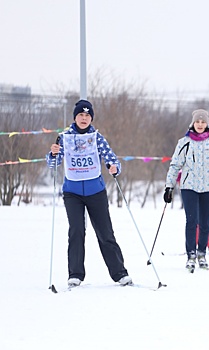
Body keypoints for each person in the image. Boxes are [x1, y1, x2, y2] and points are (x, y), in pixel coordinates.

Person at [46, 99, 132, 288]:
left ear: (91, 118)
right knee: (76, 231)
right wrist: (52, 154)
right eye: (80, 115)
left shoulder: (97, 137)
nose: (84, 119)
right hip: (72, 192)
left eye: (87, 115)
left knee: (105, 233)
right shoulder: (65, 137)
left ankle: (120, 274)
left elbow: (111, 158)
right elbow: (53, 164)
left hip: (96, 191)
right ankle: (75, 274)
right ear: (75, 117)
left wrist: (114, 167)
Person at [163, 109, 209, 272]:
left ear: (207, 124)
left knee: (205, 223)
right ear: (193, 123)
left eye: (203, 122)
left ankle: (202, 253)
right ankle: (191, 255)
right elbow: (175, 164)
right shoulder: (184, 142)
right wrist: (169, 186)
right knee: (191, 221)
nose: (200, 125)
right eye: (198, 122)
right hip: (189, 187)